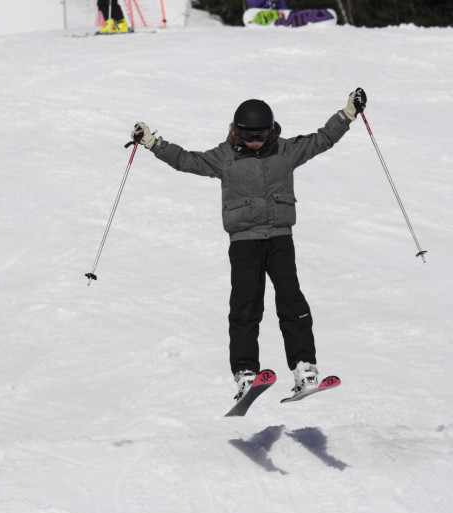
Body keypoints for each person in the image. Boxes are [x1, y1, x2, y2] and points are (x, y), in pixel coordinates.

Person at [131, 89, 366, 401]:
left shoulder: (285, 151)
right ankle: (245, 373)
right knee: (245, 305)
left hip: (280, 238)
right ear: (236, 131)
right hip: (244, 243)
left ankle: (304, 365)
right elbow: (186, 160)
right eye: (248, 135)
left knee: (291, 301)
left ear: (271, 130)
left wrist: (348, 114)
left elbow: (322, 139)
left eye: (261, 135)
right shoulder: (224, 157)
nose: (255, 141)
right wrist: (152, 143)